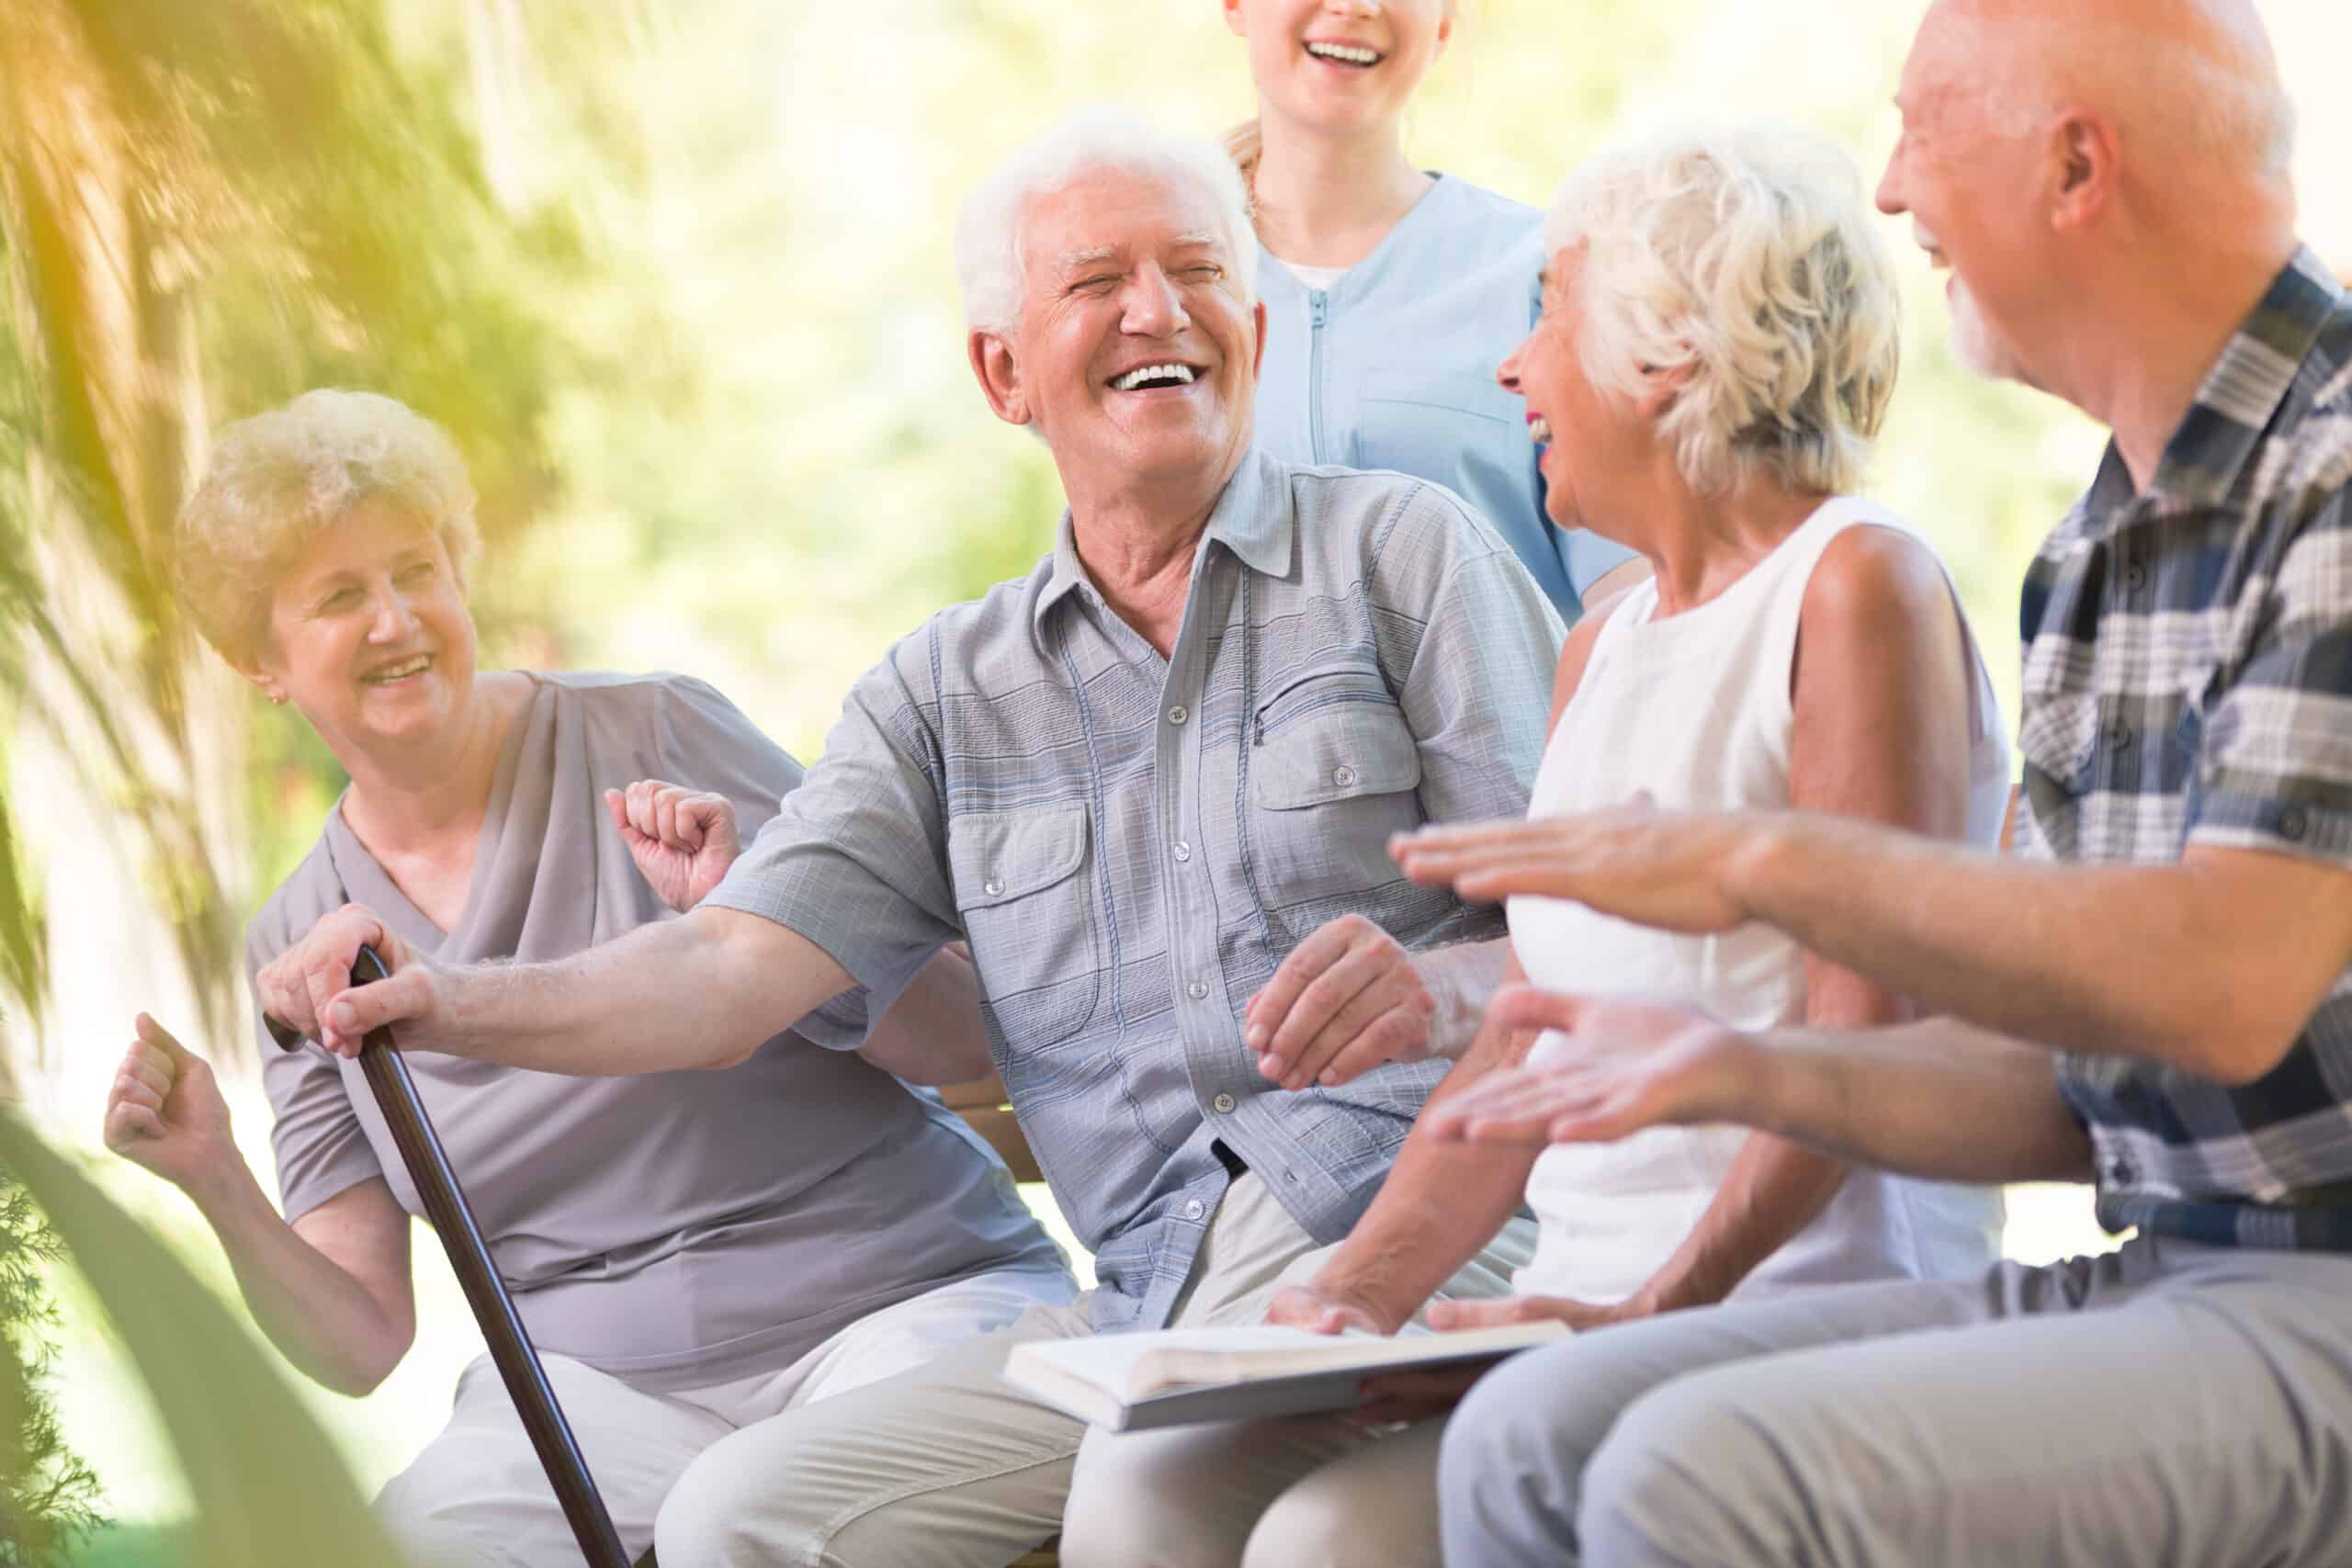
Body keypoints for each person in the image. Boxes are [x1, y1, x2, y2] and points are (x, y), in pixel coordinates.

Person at [252, 110, 1565, 1568]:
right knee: (741, 1514)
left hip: (1428, 1211)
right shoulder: (944, 694)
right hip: (1139, 1301)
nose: (1156, 310)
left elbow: (1593, 938)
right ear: (1004, 372)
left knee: (1154, 1505)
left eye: (1197, 270)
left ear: (1252, 326)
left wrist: (1444, 988)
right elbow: (722, 973)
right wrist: (449, 997)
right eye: (1096, 282)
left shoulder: (1404, 553)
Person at [1391, 3, 2352, 1564]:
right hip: (2169, 1259)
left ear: (2074, 164)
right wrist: (1734, 1066)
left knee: (1693, 1477)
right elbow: (2065, 1092)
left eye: (1925, 127)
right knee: (1527, 1433)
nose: (1892, 194)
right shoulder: (2096, 550)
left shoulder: (2335, 476)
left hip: (2325, 1282)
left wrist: (1763, 863)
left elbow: (2231, 984)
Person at [1069, 121, 2011, 1568]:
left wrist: (1641, 1315)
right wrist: (1358, 1296)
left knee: (1332, 1541)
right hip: (1583, 1315)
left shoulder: (1855, 584)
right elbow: (1522, 1037)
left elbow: (1859, 1045)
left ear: (1669, 354)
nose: (1514, 370)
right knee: (1154, 1489)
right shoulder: (1604, 641)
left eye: (1549, 318)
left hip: (1790, 1315)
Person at [100, 389, 1073, 1566]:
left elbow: (965, 1036)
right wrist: (212, 1174)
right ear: (261, 660)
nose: (399, 617)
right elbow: (359, 1339)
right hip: (604, 1404)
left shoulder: (655, 735)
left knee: (749, 1526)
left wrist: (756, 912)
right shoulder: (299, 940)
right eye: (342, 595)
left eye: (419, 569)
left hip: (895, 1312)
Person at [1222, 0, 1639, 616]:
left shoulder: (1546, 276)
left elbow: (1629, 597)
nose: (1353, 7)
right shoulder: (1162, 290)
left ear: (1443, 22)